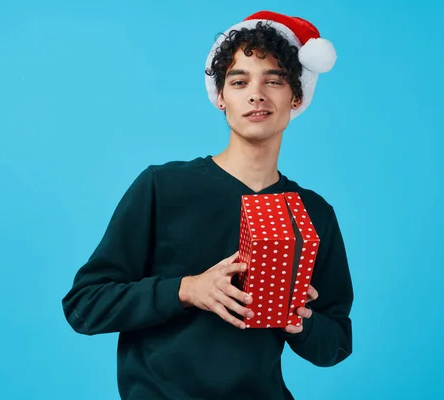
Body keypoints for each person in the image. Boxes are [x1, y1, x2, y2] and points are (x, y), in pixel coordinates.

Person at [61, 10, 354, 400]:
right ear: (220, 97)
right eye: (239, 81)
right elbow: (84, 305)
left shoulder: (313, 213)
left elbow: (335, 345)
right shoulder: (163, 186)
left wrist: (299, 319)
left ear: (296, 96)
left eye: (275, 80)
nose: (257, 94)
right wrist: (186, 290)